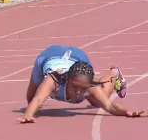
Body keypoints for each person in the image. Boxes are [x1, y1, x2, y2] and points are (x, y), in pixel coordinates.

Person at [18, 45, 147, 123]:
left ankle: (114, 73)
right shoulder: (53, 81)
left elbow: (110, 106)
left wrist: (128, 112)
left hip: (79, 57)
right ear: (67, 79)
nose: (79, 92)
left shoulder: (90, 87)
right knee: (31, 96)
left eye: (83, 88)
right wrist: (28, 115)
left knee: (99, 101)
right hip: (49, 55)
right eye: (75, 87)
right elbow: (38, 98)